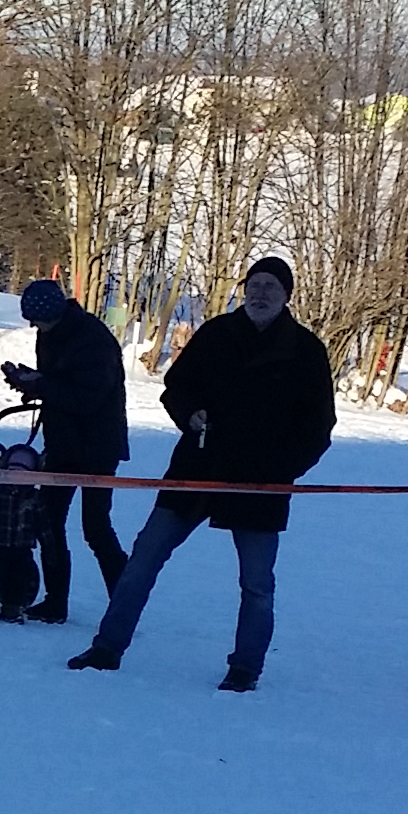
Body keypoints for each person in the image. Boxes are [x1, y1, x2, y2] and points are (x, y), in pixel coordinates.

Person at [70, 253, 334, 687]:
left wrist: (283, 471)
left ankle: (245, 668)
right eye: (255, 284)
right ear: (244, 290)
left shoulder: (305, 351)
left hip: (260, 484)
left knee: (257, 584)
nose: (261, 293)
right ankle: (107, 647)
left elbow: (319, 426)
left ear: (286, 296)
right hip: (197, 468)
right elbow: (177, 387)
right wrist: (189, 413)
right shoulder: (216, 334)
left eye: (272, 286)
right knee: (143, 559)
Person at [1, 277, 128, 625]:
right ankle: (56, 602)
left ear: (52, 313)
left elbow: (87, 399)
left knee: (96, 528)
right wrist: (30, 381)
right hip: (63, 443)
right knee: (49, 523)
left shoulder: (93, 340)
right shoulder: (51, 333)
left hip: (98, 448)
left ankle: (124, 603)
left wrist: (41, 385)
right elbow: (58, 383)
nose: (33, 327)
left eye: (36, 320)